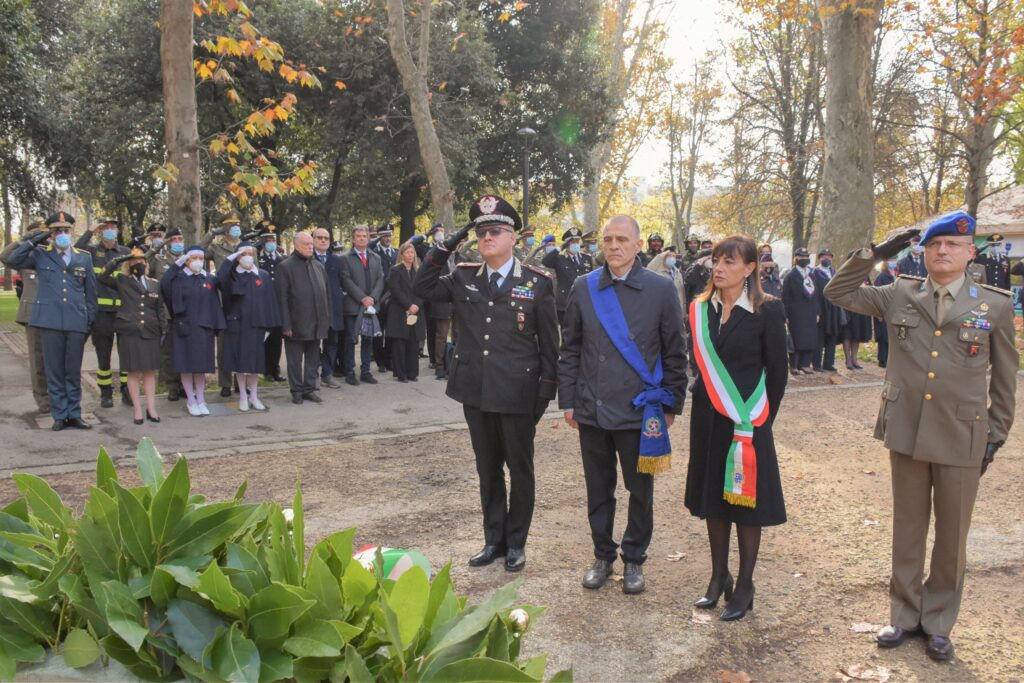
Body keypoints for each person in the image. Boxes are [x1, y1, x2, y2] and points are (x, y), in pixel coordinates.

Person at [824, 212, 1017, 662]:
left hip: (962, 433)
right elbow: (839, 292)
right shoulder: (900, 293)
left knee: (952, 535)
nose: (942, 252)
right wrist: (876, 254)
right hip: (907, 428)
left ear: (970, 253)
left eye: (951, 245)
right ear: (923, 253)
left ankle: (939, 621)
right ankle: (905, 614)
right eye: (934, 246)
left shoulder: (994, 305)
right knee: (908, 528)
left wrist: (997, 433)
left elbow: (1006, 379)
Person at [414, 195, 559, 572]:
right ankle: (493, 540)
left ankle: (516, 543)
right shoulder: (463, 275)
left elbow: (549, 347)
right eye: (480, 232)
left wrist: (542, 397)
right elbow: (423, 286)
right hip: (475, 391)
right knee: (487, 468)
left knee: (520, 470)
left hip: (518, 394)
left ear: (514, 238)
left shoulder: (537, 283)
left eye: (495, 231)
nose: (486, 238)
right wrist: (447, 242)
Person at [560, 215, 687, 594]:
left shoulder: (661, 289)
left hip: (639, 411)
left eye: (621, 239)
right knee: (598, 488)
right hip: (592, 408)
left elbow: (675, 352)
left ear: (637, 245)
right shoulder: (584, 287)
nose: (613, 246)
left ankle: (634, 558)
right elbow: (570, 349)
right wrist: (568, 400)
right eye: (608, 239)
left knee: (639, 489)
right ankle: (602, 555)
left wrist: (672, 405)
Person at [685, 234, 788, 621]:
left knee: (747, 506)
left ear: (750, 269)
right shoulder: (700, 310)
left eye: (730, 262)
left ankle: (745, 585)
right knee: (714, 499)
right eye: (716, 260)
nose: (720, 268)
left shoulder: (768, 310)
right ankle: (718, 577)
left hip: (749, 422)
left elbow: (778, 373)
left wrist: (759, 422)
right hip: (708, 419)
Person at [6, 212, 97, 430]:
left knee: (73, 371)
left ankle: (74, 413)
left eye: (66, 231)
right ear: (51, 234)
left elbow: (91, 293)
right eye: (57, 231)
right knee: (54, 371)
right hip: (49, 321)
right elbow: (10, 259)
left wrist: (89, 321)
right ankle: (59, 415)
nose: (63, 235)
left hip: (76, 321)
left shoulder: (83, 257)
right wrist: (36, 237)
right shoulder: (39, 254)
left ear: (71, 233)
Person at [98, 248, 166, 424]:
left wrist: (163, 330)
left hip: (150, 331)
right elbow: (102, 277)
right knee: (133, 371)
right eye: (135, 261)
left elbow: (159, 309)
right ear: (129, 264)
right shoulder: (122, 281)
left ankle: (151, 407)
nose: (139, 264)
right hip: (130, 331)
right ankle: (137, 409)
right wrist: (119, 260)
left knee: (150, 372)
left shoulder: (154, 284)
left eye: (142, 261)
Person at [160, 246, 225, 416]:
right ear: (186, 260)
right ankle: (190, 399)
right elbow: (164, 283)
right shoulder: (179, 278)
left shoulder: (208, 278)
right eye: (193, 258)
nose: (197, 261)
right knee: (187, 366)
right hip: (185, 328)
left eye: (200, 258)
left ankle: (201, 399)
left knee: (201, 367)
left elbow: (224, 283)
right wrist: (177, 264)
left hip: (204, 328)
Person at [217, 242, 282, 411]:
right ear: (237, 257)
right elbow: (219, 278)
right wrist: (231, 258)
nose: (248, 257)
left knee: (255, 363)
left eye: (250, 253)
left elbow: (270, 301)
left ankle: (254, 395)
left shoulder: (263, 275)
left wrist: (270, 326)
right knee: (240, 363)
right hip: (237, 324)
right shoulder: (232, 275)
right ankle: (243, 397)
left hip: (257, 324)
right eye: (243, 254)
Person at [76, 218, 131, 407]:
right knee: (103, 354)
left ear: (117, 230)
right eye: (105, 228)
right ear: (99, 231)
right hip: (101, 312)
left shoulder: (125, 252)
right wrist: (90, 229)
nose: (109, 230)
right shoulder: (92, 252)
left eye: (112, 227)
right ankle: (106, 392)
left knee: (126, 354)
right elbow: (77, 247)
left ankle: (126, 390)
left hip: (123, 312)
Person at [276, 232, 332, 404]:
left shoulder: (318, 265)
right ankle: (297, 391)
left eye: (310, 244)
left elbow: (327, 294)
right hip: (296, 322)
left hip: (317, 322)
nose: (309, 247)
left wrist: (327, 319)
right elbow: (281, 299)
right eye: (305, 244)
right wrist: (286, 325)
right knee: (294, 360)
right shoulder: (285, 266)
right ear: (296, 245)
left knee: (313, 359)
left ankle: (309, 388)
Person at [1, 221, 50, 414]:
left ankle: (58, 397)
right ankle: (44, 401)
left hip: (53, 312)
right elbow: (5, 257)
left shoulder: (50, 254)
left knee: (55, 359)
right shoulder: (25, 257)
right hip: (32, 315)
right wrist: (27, 238)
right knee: (38, 359)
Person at [202, 213, 245, 397]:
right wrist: (211, 233)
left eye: (238, 224)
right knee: (224, 345)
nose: (236, 227)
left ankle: (240, 381)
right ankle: (225, 383)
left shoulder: (246, 247)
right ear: (225, 228)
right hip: (223, 299)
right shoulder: (217, 248)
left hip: (243, 299)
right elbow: (197, 250)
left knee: (243, 343)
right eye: (232, 224)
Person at [339, 225, 385, 386]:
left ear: (368, 238)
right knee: (351, 339)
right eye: (358, 236)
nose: (361, 238)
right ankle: (350, 372)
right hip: (353, 306)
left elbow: (380, 279)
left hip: (371, 306)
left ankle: (365, 371)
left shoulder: (375, 257)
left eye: (364, 236)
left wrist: (372, 298)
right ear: (353, 239)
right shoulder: (345, 258)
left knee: (368, 339)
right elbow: (346, 280)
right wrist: (362, 298)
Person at [147, 226, 185, 401]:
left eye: (180, 239)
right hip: (166, 312)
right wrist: (157, 246)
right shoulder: (160, 259)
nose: (177, 242)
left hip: (186, 312)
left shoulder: (189, 259)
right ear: (168, 243)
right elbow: (143, 262)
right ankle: (172, 386)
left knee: (185, 350)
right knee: (168, 352)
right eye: (174, 240)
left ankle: (186, 384)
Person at [415, 224, 454, 379]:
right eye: (437, 232)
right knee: (434, 333)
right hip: (435, 297)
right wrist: (426, 234)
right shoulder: (430, 250)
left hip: (450, 300)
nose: (440, 234)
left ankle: (441, 363)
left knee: (442, 334)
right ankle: (437, 363)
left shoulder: (457, 255)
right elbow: (412, 245)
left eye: (442, 232)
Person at [386, 241, 427, 382]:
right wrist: (408, 305)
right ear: (402, 254)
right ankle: (401, 374)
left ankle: (412, 373)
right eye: (408, 252)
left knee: (413, 343)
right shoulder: (395, 270)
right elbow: (395, 290)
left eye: (412, 252)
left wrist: (416, 305)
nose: (411, 255)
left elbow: (423, 291)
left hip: (416, 312)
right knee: (399, 343)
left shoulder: (419, 271)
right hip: (399, 311)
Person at [311, 226, 345, 390]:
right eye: (320, 237)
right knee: (313, 344)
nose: (323, 240)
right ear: (313, 240)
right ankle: (313, 376)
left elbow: (343, 282)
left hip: (333, 309)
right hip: (314, 310)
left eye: (326, 238)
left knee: (332, 343)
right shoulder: (308, 258)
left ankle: (327, 374)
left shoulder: (336, 259)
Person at [543, 227, 594, 325]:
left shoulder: (586, 258)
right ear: (566, 244)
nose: (575, 244)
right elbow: (545, 261)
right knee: (566, 336)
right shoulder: (559, 259)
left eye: (577, 241)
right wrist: (560, 247)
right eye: (572, 242)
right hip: (564, 304)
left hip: (584, 302)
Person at [256, 220, 287, 383]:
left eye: (273, 240)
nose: (271, 243)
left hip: (279, 306)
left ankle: (275, 369)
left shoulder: (282, 259)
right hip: (264, 305)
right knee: (266, 340)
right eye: (267, 240)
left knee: (276, 341)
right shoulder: (258, 260)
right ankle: (266, 370)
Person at [781, 247, 817, 375]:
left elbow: (816, 295)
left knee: (809, 337)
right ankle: (794, 365)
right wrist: (785, 314)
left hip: (810, 311)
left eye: (806, 257)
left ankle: (805, 364)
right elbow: (785, 296)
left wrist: (817, 312)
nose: (804, 259)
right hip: (795, 312)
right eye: (801, 257)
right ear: (796, 259)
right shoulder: (790, 275)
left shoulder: (811, 274)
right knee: (796, 338)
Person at [839, 250, 873, 370]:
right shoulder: (845, 272)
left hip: (861, 308)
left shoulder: (864, 272)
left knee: (858, 335)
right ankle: (847, 359)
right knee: (848, 335)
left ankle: (854, 358)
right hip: (849, 308)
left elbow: (870, 287)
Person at [371, 223, 398, 373]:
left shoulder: (396, 252)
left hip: (393, 298)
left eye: (389, 235)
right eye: (385, 235)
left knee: (391, 331)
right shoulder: (373, 251)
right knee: (378, 332)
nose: (388, 238)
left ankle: (389, 359)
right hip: (379, 297)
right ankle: (380, 361)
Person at [873, 259, 897, 368]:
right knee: (883, 336)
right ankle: (882, 360)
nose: (893, 262)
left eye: (894, 260)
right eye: (891, 260)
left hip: (894, 310)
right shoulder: (881, 276)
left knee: (891, 336)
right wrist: (878, 312)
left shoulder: (896, 275)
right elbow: (876, 295)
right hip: (883, 310)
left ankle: (890, 358)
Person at [646, 248, 686, 315]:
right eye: (669, 255)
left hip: (676, 310)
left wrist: (684, 312)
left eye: (674, 256)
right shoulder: (656, 271)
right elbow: (648, 269)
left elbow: (682, 293)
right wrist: (660, 257)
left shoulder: (677, 272)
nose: (672, 258)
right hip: (660, 310)